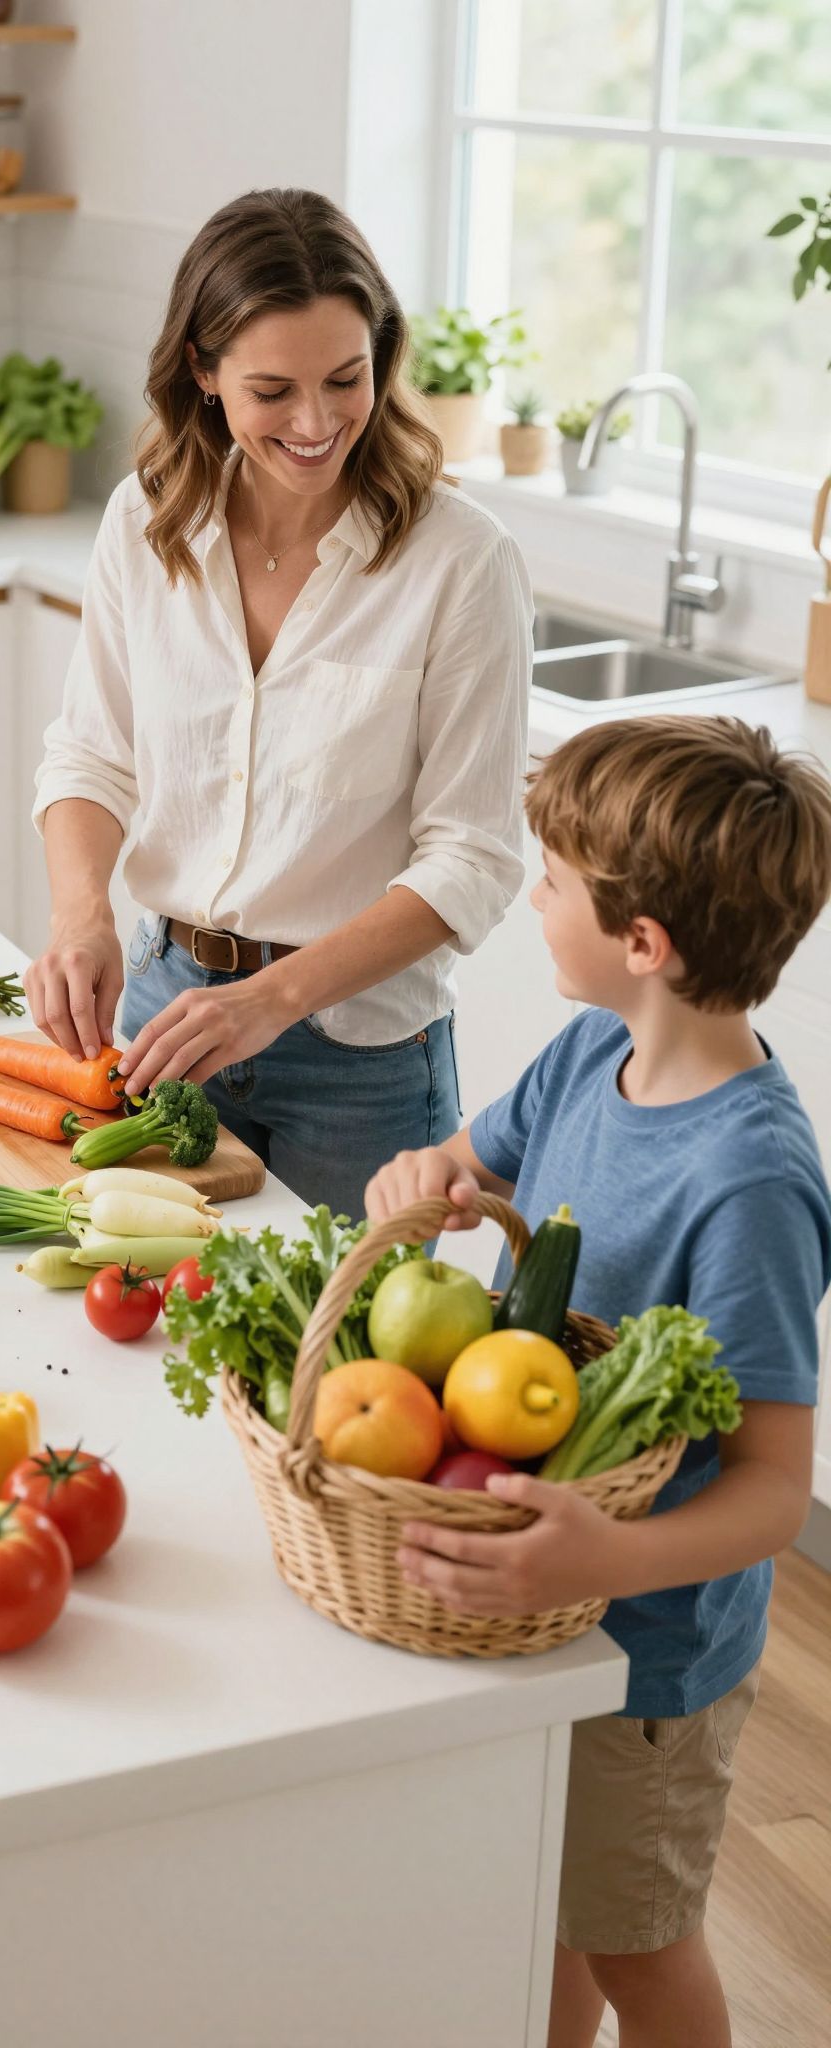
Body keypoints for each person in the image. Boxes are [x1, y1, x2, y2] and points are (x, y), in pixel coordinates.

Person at [363, 715, 831, 2048]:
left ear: (644, 945)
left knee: (637, 1940)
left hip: (654, 1654)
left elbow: (774, 1496)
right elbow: (474, 1160)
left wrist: (602, 1568)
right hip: (545, 1598)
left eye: (552, 882)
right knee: (539, 1903)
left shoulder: (749, 1181)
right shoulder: (588, 1055)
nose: (533, 900)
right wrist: (429, 1178)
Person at [26, 186, 532, 1219]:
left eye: (346, 380)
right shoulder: (146, 520)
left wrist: (277, 997)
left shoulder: (460, 561)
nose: (316, 423)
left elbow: (472, 859)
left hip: (363, 1065)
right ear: (203, 373)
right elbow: (90, 755)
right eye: (273, 390)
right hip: (167, 1020)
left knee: (347, 1376)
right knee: (157, 1357)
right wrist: (81, 915)